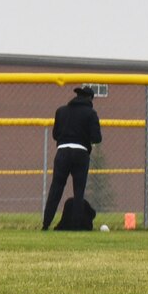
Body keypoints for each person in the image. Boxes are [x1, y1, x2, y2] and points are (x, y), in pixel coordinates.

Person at [42, 84, 102, 230]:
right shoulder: (90, 113)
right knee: (79, 191)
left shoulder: (61, 111)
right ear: (89, 99)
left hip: (62, 152)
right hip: (80, 153)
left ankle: (46, 224)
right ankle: (76, 225)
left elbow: (55, 135)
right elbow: (97, 137)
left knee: (56, 188)